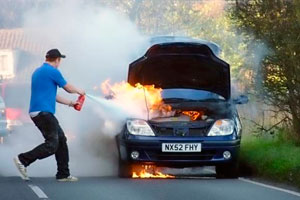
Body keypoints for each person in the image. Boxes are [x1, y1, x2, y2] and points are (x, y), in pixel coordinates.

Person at [13, 49, 85, 181]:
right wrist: (80, 91)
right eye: (60, 60)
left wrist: (71, 103)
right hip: (43, 112)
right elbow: (68, 88)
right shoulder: (52, 71)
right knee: (52, 144)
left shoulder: (38, 72)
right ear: (57, 60)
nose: (60, 63)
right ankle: (22, 160)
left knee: (61, 140)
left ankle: (63, 174)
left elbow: (53, 95)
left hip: (39, 112)